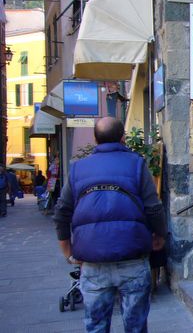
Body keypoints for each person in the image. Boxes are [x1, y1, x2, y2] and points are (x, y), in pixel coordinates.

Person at [53, 117, 167, 332]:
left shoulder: (78, 168)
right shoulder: (136, 164)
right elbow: (154, 207)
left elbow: (61, 212)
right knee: (135, 326)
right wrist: (160, 235)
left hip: (93, 261)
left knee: (96, 325)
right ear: (123, 137)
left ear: (95, 139)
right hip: (132, 256)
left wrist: (67, 250)